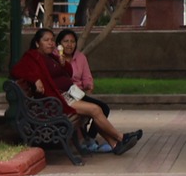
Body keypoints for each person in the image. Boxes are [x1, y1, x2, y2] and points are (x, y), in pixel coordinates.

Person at [12, 27, 139, 155]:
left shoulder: (52, 57)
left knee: (96, 110)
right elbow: (17, 70)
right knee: (95, 110)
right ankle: (121, 137)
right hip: (55, 101)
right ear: (37, 43)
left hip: (66, 95)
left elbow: (68, 74)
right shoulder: (33, 56)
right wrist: (35, 79)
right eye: (46, 40)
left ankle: (115, 144)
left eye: (52, 40)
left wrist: (63, 64)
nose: (51, 43)